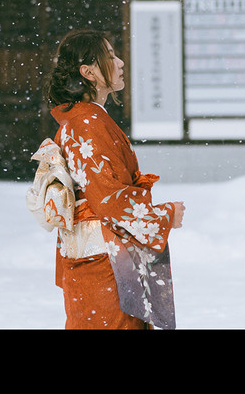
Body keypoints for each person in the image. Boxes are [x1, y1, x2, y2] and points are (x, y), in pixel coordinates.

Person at [43, 29, 185, 329]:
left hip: (98, 256)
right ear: (88, 72)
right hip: (102, 258)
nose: (120, 63)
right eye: (110, 57)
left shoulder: (84, 119)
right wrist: (163, 216)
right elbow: (109, 200)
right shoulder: (87, 123)